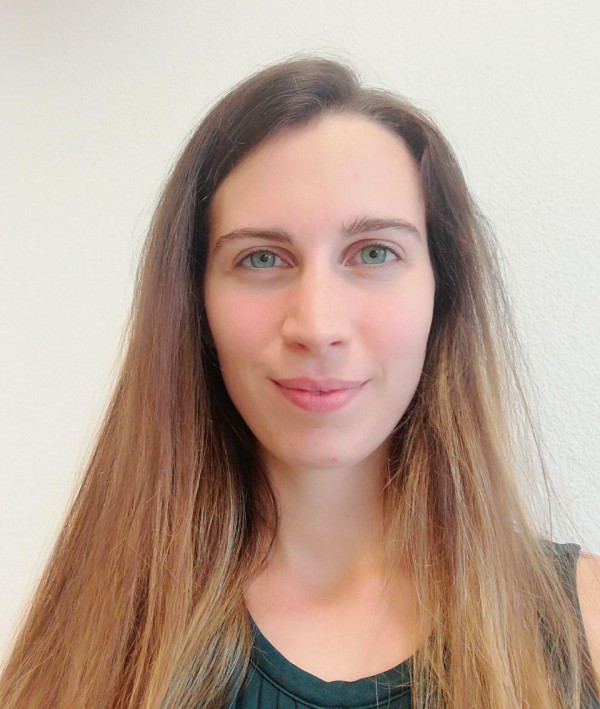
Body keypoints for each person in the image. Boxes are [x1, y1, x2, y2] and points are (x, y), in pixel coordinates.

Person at [1, 56, 599, 709]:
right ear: (195, 305)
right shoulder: (83, 647)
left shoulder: (586, 626)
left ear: (443, 291)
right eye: (262, 257)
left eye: (374, 252)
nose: (317, 326)